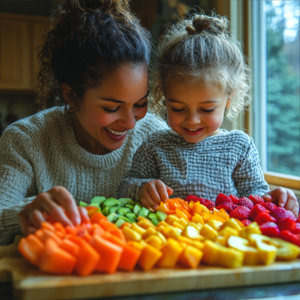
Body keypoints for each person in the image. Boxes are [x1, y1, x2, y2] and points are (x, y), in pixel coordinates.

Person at [0, 0, 168, 245]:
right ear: (70, 94)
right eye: (111, 107)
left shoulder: (155, 134)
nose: (131, 123)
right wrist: (23, 213)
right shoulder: (24, 141)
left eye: (140, 104)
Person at [117, 14, 299, 217]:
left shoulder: (240, 147)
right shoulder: (155, 145)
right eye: (178, 108)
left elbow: (256, 194)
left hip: (222, 242)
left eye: (206, 109)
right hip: (168, 242)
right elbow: (124, 188)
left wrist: (273, 198)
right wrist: (142, 189)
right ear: (163, 97)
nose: (192, 120)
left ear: (229, 99)